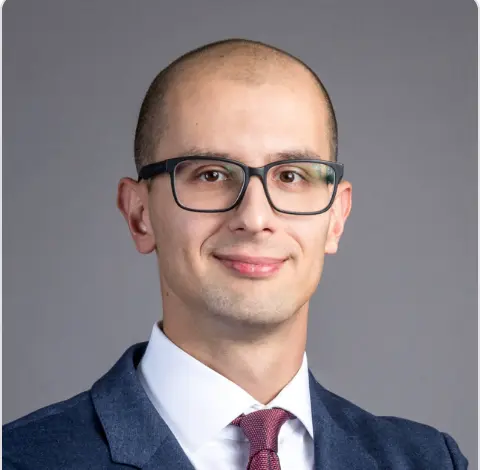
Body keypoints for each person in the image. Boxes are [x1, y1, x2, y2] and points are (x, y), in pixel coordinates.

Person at [3, 38, 468, 470]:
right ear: (140, 215)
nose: (255, 217)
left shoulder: (430, 460)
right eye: (210, 174)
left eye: (291, 176)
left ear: (337, 216)